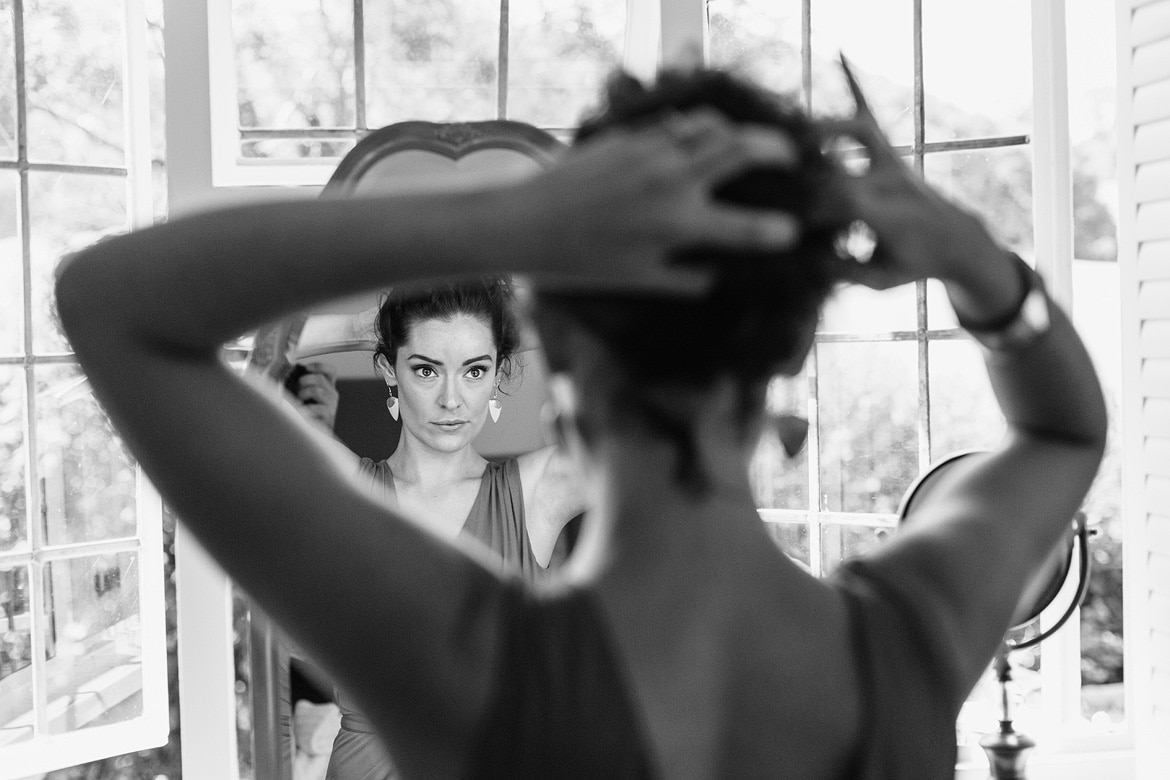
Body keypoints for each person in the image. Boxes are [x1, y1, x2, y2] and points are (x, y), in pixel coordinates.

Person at [55, 65, 1106, 779]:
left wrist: (513, 221)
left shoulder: (470, 664)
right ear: (789, 351)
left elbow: (117, 309)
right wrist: (974, 260)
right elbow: (1063, 431)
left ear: (546, 345)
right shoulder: (907, 647)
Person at [304, 278, 584, 779]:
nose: (452, 399)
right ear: (390, 368)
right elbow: (212, 361)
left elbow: (661, 392)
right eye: (426, 370)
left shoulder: (535, 494)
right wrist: (357, 325)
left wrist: (529, 310)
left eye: (475, 370)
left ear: (498, 374)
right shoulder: (344, 491)